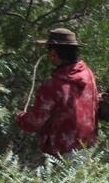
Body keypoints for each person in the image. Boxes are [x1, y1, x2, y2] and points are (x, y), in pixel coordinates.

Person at [16, 28, 98, 156]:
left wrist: (21, 118)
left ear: (54, 53)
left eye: (49, 51)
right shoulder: (88, 74)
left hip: (61, 153)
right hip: (87, 149)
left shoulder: (52, 85)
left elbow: (34, 122)